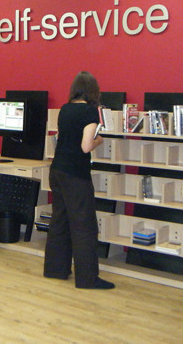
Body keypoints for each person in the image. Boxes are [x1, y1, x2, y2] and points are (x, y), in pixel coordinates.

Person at [43, 71, 115, 289]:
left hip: (57, 170)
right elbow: (85, 146)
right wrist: (99, 140)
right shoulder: (89, 112)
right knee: (84, 226)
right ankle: (87, 278)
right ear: (94, 91)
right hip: (76, 173)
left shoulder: (65, 109)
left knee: (60, 220)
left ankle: (55, 269)